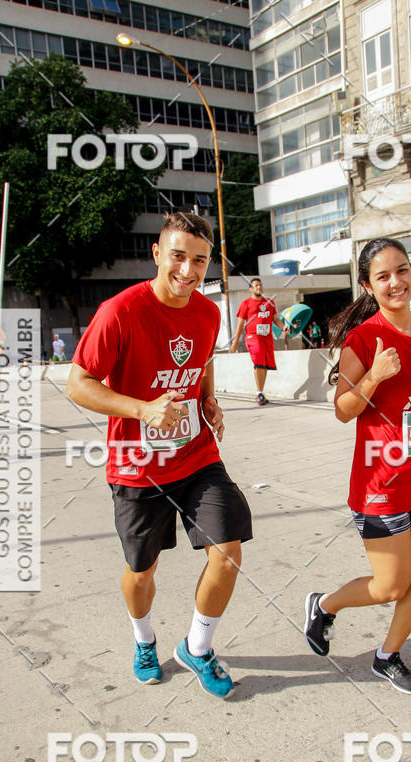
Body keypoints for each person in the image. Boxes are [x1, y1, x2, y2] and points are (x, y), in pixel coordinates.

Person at [67, 212, 253, 698]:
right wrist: (141, 409)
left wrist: (207, 399)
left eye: (200, 260)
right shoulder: (120, 311)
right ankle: (144, 638)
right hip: (137, 467)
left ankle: (197, 647)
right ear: (156, 253)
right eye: (178, 256)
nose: (188, 271)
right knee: (142, 571)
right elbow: (78, 384)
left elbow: (202, 363)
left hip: (196, 455)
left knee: (227, 551)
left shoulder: (208, 313)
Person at [304, 237, 411, 694]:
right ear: (368, 286)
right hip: (381, 485)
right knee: (391, 585)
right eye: (383, 276)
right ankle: (324, 605)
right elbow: (342, 409)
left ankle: (387, 656)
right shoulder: (363, 339)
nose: (396, 282)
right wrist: (375, 375)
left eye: (402, 270)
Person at [230, 277, 287, 406]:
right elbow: (240, 324)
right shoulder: (246, 304)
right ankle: (259, 393)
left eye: (260, 285)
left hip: (266, 339)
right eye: (255, 286)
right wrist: (235, 342)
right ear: (250, 289)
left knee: (265, 365)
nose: (258, 287)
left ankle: (260, 392)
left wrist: (283, 327)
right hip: (253, 338)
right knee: (259, 362)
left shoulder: (269, 303)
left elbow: (275, 319)